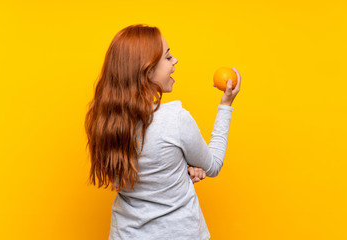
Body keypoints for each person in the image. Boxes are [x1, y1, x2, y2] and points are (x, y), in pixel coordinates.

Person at [84, 24, 241, 240]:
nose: (175, 60)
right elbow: (213, 166)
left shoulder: (103, 122)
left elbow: (142, 168)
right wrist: (226, 105)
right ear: (147, 70)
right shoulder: (175, 119)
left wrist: (178, 168)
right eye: (167, 57)